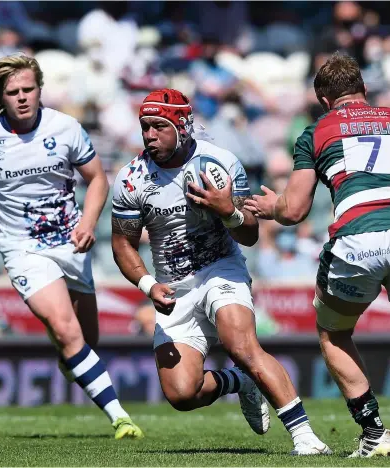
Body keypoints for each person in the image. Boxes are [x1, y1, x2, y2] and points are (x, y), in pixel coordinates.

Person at [111, 88, 331, 455]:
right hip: (172, 285)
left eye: (158, 126)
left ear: (182, 126)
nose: (149, 135)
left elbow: (248, 235)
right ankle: (240, 383)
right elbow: (122, 243)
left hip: (221, 267)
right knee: (181, 394)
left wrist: (227, 209)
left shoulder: (220, 162)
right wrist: (148, 283)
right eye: (144, 126)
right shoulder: (131, 179)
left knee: (241, 344)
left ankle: (305, 437)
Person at [0, 54, 143, 440]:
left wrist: (88, 222)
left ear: (40, 88)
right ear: (0, 95)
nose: (22, 97)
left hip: (71, 243)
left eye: (28, 89)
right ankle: (121, 418)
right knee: (66, 331)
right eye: (13, 92)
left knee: (84, 340)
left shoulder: (66, 128)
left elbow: (97, 179)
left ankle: (74, 360)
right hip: (22, 248)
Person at [245, 52, 390, 458]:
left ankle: (375, 434)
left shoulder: (316, 132)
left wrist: (270, 205)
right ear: (364, 88)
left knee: (335, 333)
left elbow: (292, 211)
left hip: (358, 242)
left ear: (324, 100)